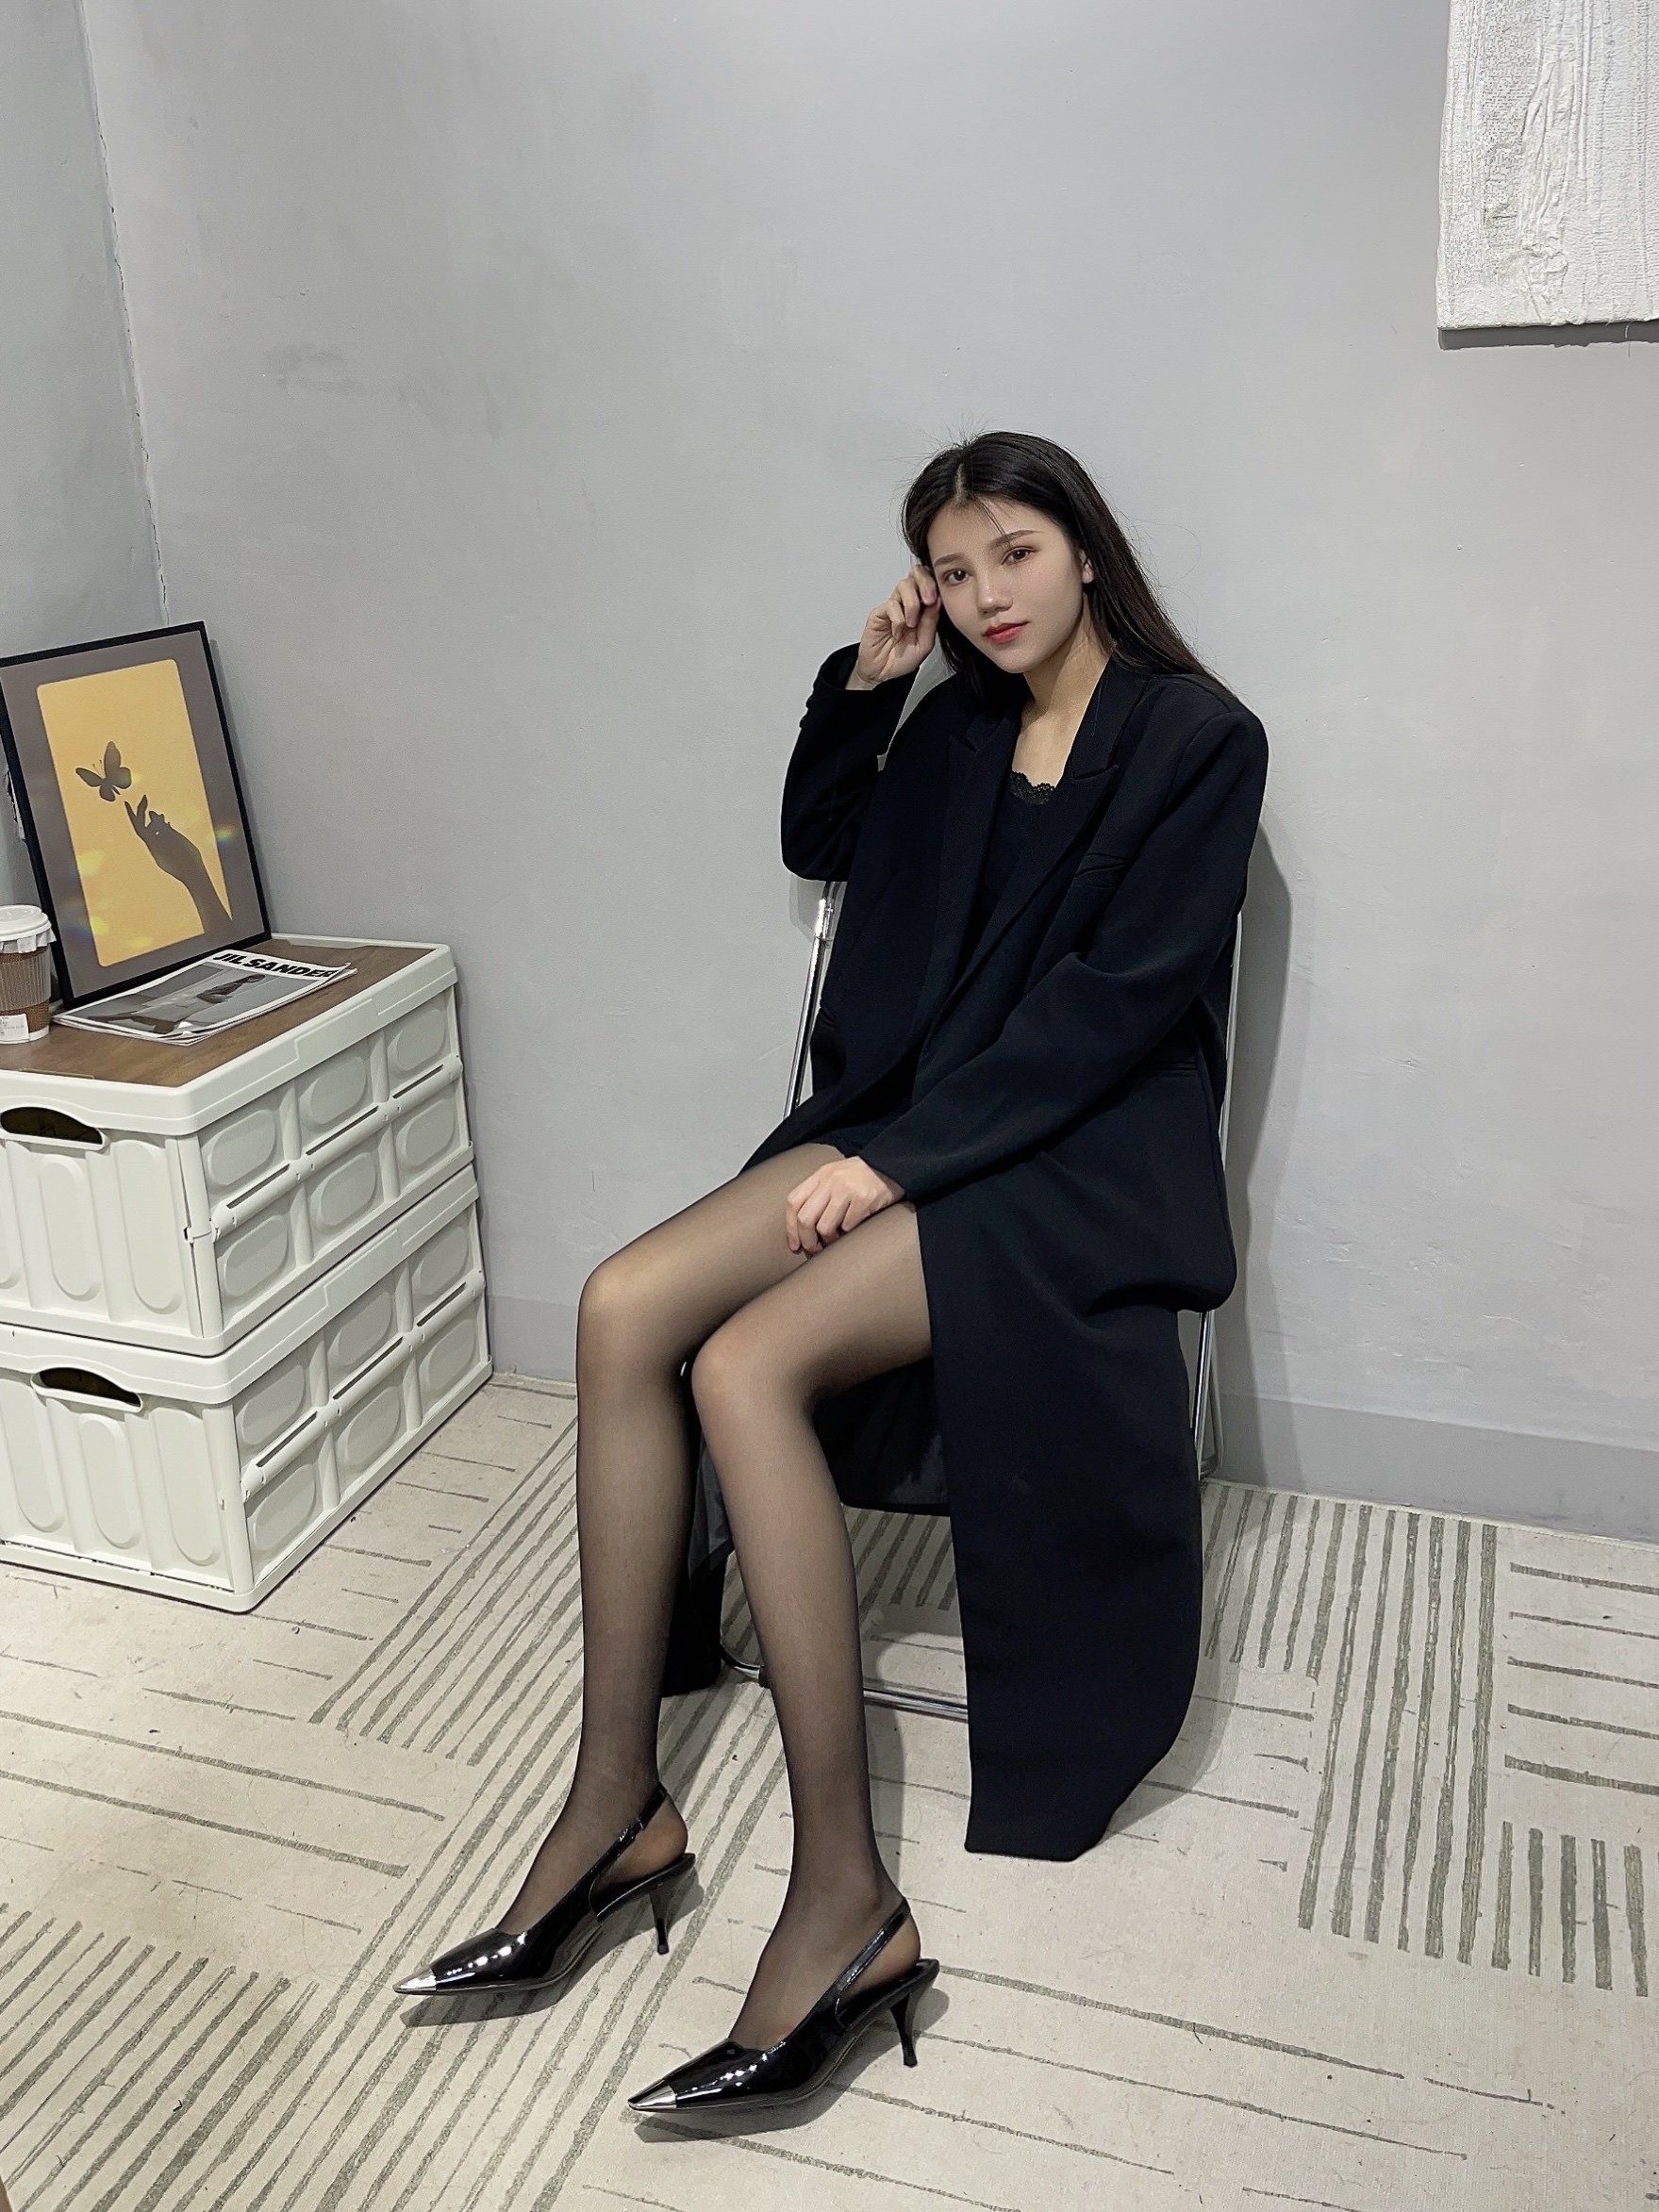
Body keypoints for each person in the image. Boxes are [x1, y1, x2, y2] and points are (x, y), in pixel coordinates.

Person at [392, 429, 1269, 2121]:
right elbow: (824, 838)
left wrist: (900, 1167)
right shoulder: (953, 722)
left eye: (1015, 552)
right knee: (621, 1306)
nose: (986, 594)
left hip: (1072, 1164)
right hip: (914, 1117)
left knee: (744, 1367)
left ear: (1085, 549)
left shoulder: (1198, 739)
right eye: (953, 569)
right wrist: (866, 687)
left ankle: (846, 1898)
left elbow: (1116, 1013)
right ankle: (616, 1798)